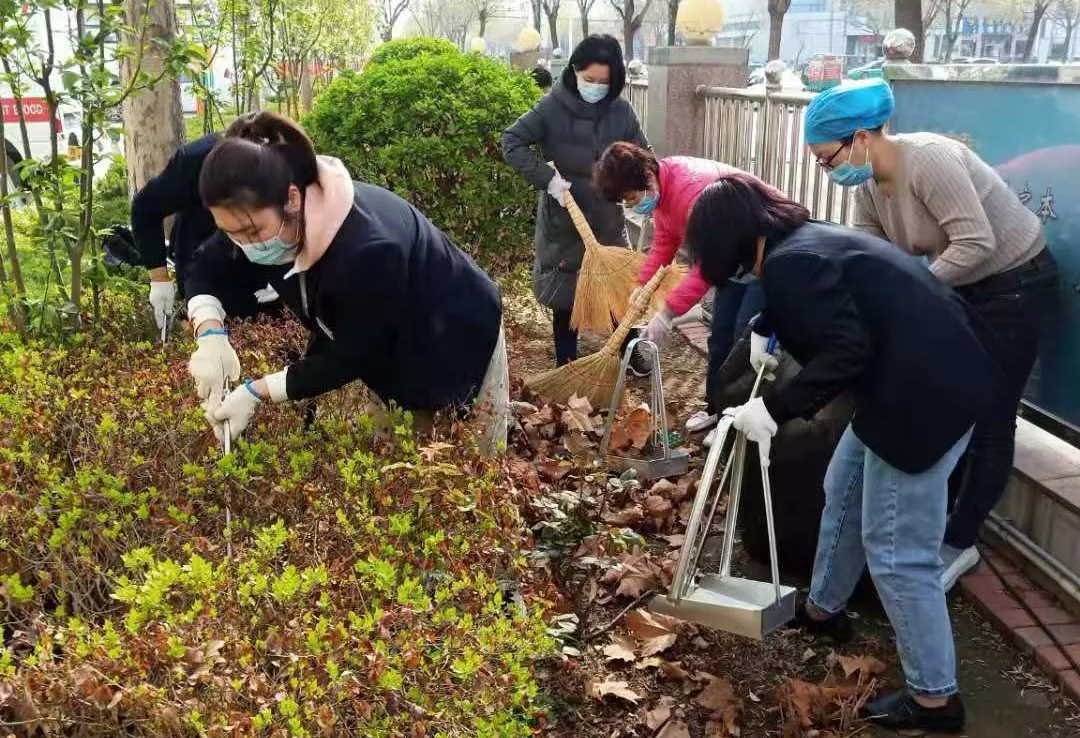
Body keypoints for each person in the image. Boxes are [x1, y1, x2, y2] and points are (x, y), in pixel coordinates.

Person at [687, 173, 999, 732]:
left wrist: (773, 409)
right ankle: (823, 610)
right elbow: (836, 304)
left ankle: (934, 700)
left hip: (926, 401)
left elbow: (846, 350)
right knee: (844, 486)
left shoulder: (790, 262)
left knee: (899, 552)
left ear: (730, 240)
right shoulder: (803, 240)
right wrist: (767, 325)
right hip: (911, 381)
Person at [804, 78, 1059, 592]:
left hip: (1013, 285)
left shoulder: (930, 160)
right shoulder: (871, 185)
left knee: (989, 415)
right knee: (949, 402)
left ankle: (959, 541)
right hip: (958, 285)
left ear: (860, 138)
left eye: (827, 160)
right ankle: (936, 521)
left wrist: (915, 296)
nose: (827, 172)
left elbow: (976, 241)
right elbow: (875, 257)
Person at [184, 112, 508, 456]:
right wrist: (209, 333)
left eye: (252, 233)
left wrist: (256, 391)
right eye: (231, 233)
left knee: (469, 465)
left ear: (291, 199)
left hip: (455, 332)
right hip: (385, 344)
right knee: (395, 461)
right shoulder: (256, 216)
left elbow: (355, 354)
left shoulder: (368, 250)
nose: (245, 244)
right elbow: (205, 265)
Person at [592, 142, 782, 445]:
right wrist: (643, 284)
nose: (632, 206)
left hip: (763, 254)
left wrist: (667, 313)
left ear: (646, 175)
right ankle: (717, 410)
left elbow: (706, 267)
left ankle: (740, 424)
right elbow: (665, 240)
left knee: (743, 338)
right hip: (732, 258)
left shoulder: (690, 190)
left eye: (631, 197)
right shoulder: (662, 191)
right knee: (720, 336)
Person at [502, 34, 651, 373]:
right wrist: (548, 180)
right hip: (564, 213)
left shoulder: (621, 111)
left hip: (607, 215)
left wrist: (644, 189)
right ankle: (566, 361)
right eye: (589, 80)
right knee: (566, 294)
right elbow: (512, 142)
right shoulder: (552, 106)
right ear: (574, 71)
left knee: (617, 288)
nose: (596, 87)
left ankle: (629, 351)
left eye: (604, 82)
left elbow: (643, 154)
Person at [131, 122, 281, 333]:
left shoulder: (290, 163)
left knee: (273, 332)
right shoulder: (194, 162)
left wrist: (287, 272)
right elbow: (145, 209)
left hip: (270, 257)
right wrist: (159, 280)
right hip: (200, 249)